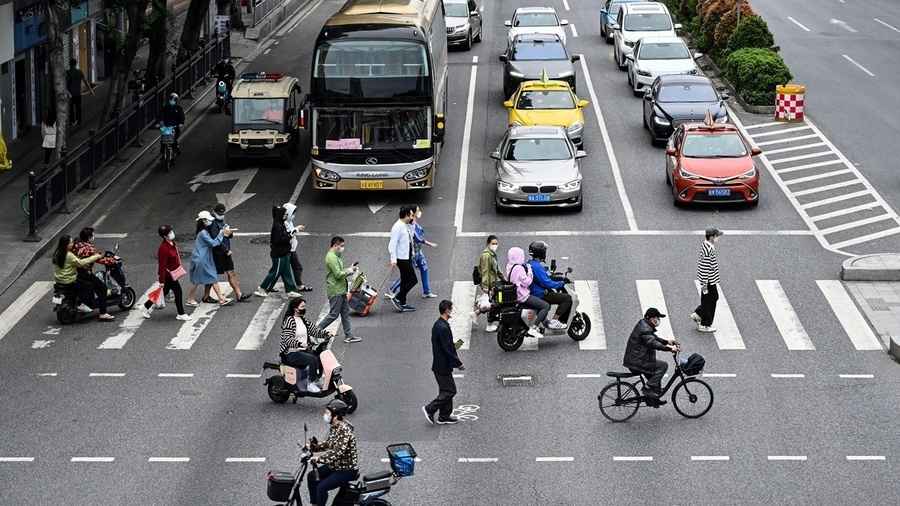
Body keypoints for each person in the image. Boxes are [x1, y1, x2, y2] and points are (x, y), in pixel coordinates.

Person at [623, 308, 679, 407]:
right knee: (663, 366)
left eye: (658, 318)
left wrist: (667, 342)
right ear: (649, 318)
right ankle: (647, 388)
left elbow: (654, 338)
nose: (657, 320)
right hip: (637, 362)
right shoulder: (644, 329)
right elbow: (652, 342)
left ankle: (653, 399)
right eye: (655, 318)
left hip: (637, 359)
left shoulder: (644, 325)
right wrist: (669, 349)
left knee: (655, 378)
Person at [308, 399, 359, 506]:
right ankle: (316, 503)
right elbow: (329, 443)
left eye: (327, 413)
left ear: (335, 416)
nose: (325, 415)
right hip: (336, 465)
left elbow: (338, 452)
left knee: (321, 487)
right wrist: (313, 447)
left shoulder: (344, 431)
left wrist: (319, 459)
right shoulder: (335, 427)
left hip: (346, 470)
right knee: (312, 477)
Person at [422, 300, 464, 425]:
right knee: (450, 391)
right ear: (446, 310)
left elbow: (447, 346)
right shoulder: (443, 327)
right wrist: (459, 363)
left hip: (440, 365)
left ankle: (444, 416)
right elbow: (448, 349)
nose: (452, 311)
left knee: (445, 390)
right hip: (442, 366)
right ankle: (430, 408)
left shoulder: (438, 324)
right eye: (451, 308)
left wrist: (458, 344)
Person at [51, 235, 110, 319]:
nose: (73, 244)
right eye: (71, 242)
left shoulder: (57, 253)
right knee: (89, 286)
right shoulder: (69, 255)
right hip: (70, 280)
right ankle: (82, 304)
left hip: (59, 280)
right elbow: (81, 263)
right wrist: (96, 256)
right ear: (66, 244)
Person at [280, 297, 331, 393]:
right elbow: (287, 339)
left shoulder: (303, 320)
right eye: (302, 306)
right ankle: (310, 383)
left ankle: (315, 379)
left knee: (320, 357)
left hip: (303, 350)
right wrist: (299, 344)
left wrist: (326, 334)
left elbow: (314, 331)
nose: (304, 308)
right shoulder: (289, 321)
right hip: (291, 353)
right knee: (312, 359)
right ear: (296, 308)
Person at [318, 236, 361, 344]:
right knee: (333, 314)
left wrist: (349, 268)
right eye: (341, 246)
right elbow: (337, 274)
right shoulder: (331, 258)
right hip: (335, 290)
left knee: (345, 313)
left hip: (341, 289)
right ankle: (315, 331)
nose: (343, 248)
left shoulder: (336, 256)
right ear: (335, 245)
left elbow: (340, 271)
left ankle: (349, 335)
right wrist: (350, 271)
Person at [388, 205, 437, 299]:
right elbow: (416, 237)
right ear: (411, 214)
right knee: (408, 276)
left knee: (423, 269)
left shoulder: (412, 223)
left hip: (418, 251)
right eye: (417, 211)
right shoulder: (406, 225)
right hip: (411, 254)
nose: (419, 212)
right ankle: (394, 291)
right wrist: (428, 243)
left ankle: (426, 291)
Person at [143, 225, 190, 321]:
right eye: (169, 232)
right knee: (178, 292)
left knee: (164, 292)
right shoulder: (163, 248)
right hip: (169, 275)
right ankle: (181, 313)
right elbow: (162, 266)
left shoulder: (172, 243)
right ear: (165, 236)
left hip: (172, 273)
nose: (172, 233)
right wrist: (161, 281)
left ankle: (146, 307)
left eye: (171, 231)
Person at [254, 205, 302, 299]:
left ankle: (290, 290)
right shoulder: (277, 226)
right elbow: (279, 240)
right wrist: (292, 234)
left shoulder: (280, 224)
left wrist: (290, 234)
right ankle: (263, 288)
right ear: (280, 215)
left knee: (286, 272)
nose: (286, 215)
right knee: (275, 272)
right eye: (284, 214)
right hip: (279, 254)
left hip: (284, 252)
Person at [187, 211, 232, 307]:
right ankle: (221, 299)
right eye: (208, 220)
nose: (210, 222)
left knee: (198, 280)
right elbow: (214, 243)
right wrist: (221, 233)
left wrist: (221, 232)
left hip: (201, 258)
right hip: (202, 259)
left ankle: (191, 299)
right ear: (204, 221)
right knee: (212, 277)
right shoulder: (203, 233)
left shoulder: (202, 232)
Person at [207, 203, 251, 303]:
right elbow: (216, 240)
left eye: (222, 213)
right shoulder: (213, 224)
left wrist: (230, 233)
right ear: (214, 212)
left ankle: (239, 294)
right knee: (213, 275)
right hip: (217, 253)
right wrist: (226, 249)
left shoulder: (222, 221)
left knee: (231, 272)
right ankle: (207, 295)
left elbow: (228, 236)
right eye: (219, 213)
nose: (221, 215)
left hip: (226, 253)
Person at [526, 241, 571, 331]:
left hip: (534, 291)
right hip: (540, 294)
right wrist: (561, 283)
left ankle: (546, 321)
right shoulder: (536, 267)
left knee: (552, 293)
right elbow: (547, 283)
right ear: (541, 253)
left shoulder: (530, 263)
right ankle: (554, 321)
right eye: (544, 251)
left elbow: (544, 276)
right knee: (567, 298)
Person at [506, 246, 548, 338]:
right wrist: (529, 271)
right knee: (545, 306)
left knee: (536, 306)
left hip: (514, 295)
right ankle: (534, 328)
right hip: (522, 296)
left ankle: (532, 322)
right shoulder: (519, 268)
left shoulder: (509, 266)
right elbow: (527, 282)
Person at [690, 228, 723, 333]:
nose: (718, 238)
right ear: (712, 237)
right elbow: (705, 267)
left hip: (709, 280)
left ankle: (698, 314)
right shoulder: (708, 249)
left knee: (710, 299)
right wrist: (704, 285)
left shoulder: (707, 246)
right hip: (708, 280)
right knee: (710, 300)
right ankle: (705, 324)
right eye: (717, 236)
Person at [387, 206, 418, 312]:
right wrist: (393, 259)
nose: (412, 217)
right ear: (406, 215)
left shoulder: (405, 225)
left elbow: (411, 236)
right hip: (401, 258)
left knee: (405, 280)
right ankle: (398, 297)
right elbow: (392, 244)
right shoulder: (397, 227)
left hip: (407, 256)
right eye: (411, 215)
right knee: (413, 280)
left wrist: (413, 223)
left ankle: (403, 303)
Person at [283, 202, 313, 292]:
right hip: (288, 250)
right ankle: (266, 286)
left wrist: (296, 228)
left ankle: (299, 285)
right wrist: (297, 229)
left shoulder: (289, 222)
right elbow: (289, 234)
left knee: (296, 267)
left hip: (292, 249)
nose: (294, 215)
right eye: (293, 213)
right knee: (285, 270)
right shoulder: (284, 223)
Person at [476, 235, 503, 332]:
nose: (495, 245)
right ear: (488, 244)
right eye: (493, 243)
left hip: (493, 284)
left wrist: (504, 279)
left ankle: (476, 313)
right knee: (495, 304)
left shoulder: (492, 254)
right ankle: (489, 324)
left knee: (494, 303)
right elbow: (485, 271)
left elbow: (497, 269)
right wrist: (485, 287)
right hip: (489, 285)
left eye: (496, 243)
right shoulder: (486, 256)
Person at [66, 58, 94, 127]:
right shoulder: (80, 72)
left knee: (71, 108)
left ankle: (72, 122)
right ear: (76, 64)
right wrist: (91, 90)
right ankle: (79, 122)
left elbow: (65, 84)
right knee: (78, 107)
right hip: (78, 93)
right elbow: (85, 81)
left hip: (70, 94)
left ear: (70, 64)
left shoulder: (67, 72)